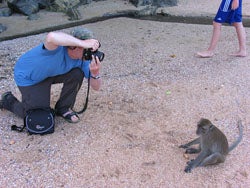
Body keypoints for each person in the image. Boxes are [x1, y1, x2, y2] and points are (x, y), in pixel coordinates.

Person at [0, 27, 102, 123]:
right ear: (74, 47)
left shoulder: (83, 60)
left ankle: (63, 108)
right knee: (36, 117)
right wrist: (83, 43)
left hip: (50, 74)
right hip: (29, 77)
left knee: (77, 73)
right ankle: (8, 100)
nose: (90, 52)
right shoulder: (56, 48)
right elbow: (51, 36)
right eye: (87, 48)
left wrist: (95, 73)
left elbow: (96, 87)